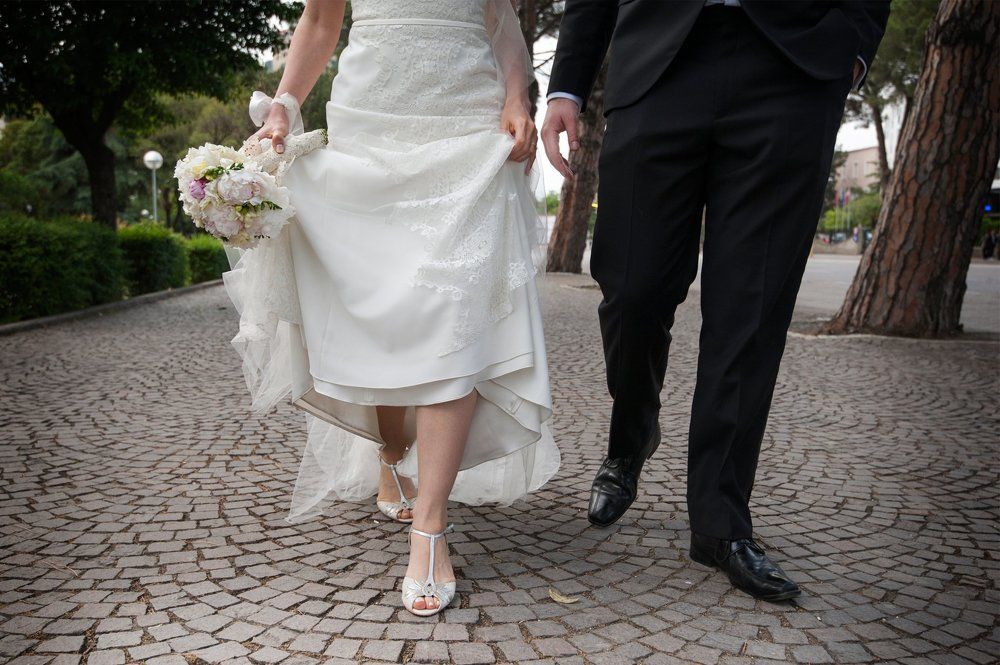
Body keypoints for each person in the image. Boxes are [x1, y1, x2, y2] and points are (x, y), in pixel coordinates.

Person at [543, 0, 888, 602]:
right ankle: (631, 435)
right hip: (658, 58)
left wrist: (852, 49)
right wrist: (567, 84)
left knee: (749, 310)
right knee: (632, 285)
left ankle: (720, 522)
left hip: (791, 65)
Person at [227, 0, 559, 617]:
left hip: (466, 127)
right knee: (381, 313)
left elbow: (503, 21)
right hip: (369, 125)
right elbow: (322, 21)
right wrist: (284, 105)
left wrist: (519, 95)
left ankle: (429, 529)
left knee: (452, 322)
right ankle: (389, 453)